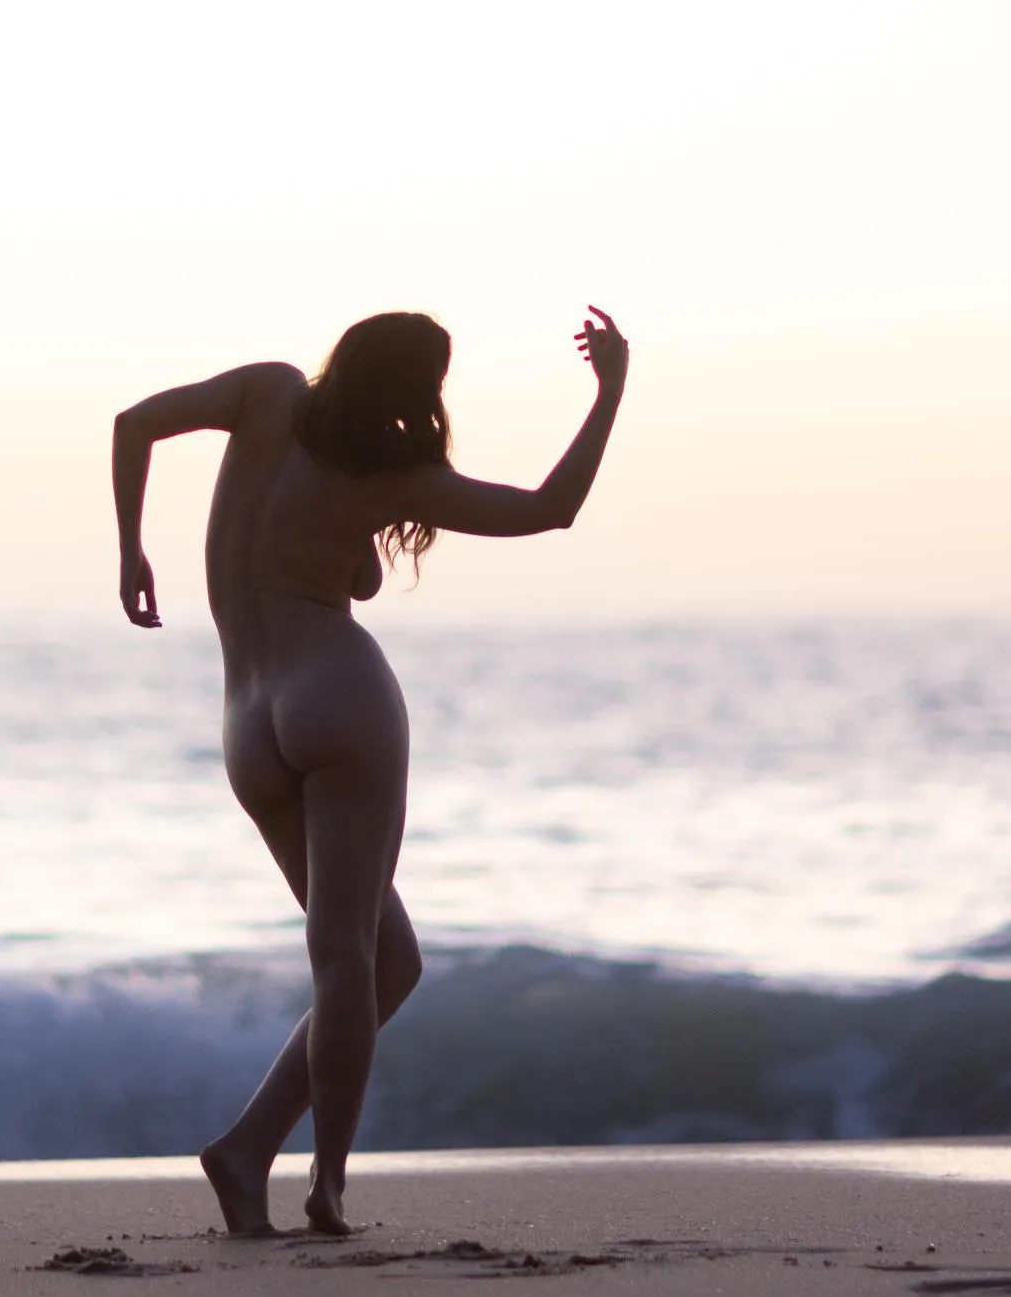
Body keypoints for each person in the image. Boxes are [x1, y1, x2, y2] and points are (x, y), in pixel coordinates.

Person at [112, 306, 629, 1235]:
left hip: (246, 723)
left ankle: (246, 1148)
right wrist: (609, 392)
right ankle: (330, 1182)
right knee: (348, 956)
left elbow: (133, 423)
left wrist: (131, 553)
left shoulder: (265, 393)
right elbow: (549, 507)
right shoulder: (391, 474)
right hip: (340, 698)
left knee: (388, 961)